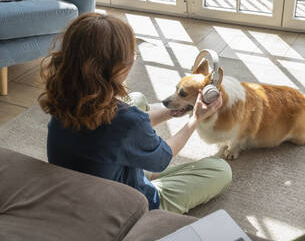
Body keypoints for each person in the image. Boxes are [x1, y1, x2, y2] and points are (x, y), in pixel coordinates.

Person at [39, 12, 232, 214]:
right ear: (119, 67)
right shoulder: (128, 121)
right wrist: (195, 119)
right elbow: (163, 158)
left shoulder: (63, 98)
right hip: (123, 205)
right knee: (220, 169)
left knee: (137, 99)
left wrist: (176, 109)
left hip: (78, 187)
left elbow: (117, 131)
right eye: (133, 54)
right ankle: (147, 177)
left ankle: (142, 166)